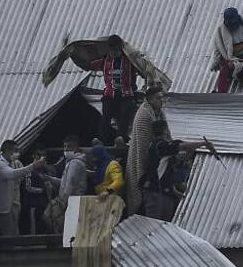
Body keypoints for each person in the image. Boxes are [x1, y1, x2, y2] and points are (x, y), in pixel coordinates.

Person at [140, 120, 209, 220]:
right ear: (165, 131)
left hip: (165, 192)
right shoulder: (160, 146)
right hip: (155, 192)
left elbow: (181, 158)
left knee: (165, 224)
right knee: (154, 223)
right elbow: (182, 147)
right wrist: (203, 143)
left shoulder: (164, 149)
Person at [0, 140, 44, 237]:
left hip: (9, 206)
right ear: (7, 150)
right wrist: (33, 166)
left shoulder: (13, 163)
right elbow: (12, 174)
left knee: (11, 234)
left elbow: (21, 176)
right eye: (15, 150)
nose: (17, 153)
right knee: (11, 236)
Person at [89, 35, 142, 142]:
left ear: (120, 48)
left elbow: (142, 68)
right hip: (110, 94)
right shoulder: (104, 60)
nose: (113, 52)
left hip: (126, 95)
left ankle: (121, 138)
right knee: (106, 116)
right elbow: (88, 64)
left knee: (125, 116)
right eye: (111, 50)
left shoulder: (130, 60)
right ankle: (102, 139)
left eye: (116, 50)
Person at [126, 83, 167, 215]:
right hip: (145, 166)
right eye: (158, 98)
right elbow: (142, 148)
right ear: (149, 99)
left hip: (156, 163)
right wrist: (144, 172)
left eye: (162, 98)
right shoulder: (144, 115)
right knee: (142, 201)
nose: (161, 101)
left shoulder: (159, 113)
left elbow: (167, 135)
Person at [46, 149, 94, 233]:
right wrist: (50, 179)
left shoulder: (75, 164)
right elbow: (65, 182)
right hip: (71, 200)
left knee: (63, 225)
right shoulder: (72, 163)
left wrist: (63, 202)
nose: (66, 151)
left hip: (71, 201)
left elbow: (70, 184)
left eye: (68, 148)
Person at [20, 152, 50, 235]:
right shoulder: (29, 171)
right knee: (34, 226)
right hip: (33, 204)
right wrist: (42, 190)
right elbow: (28, 187)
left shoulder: (44, 171)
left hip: (43, 203)